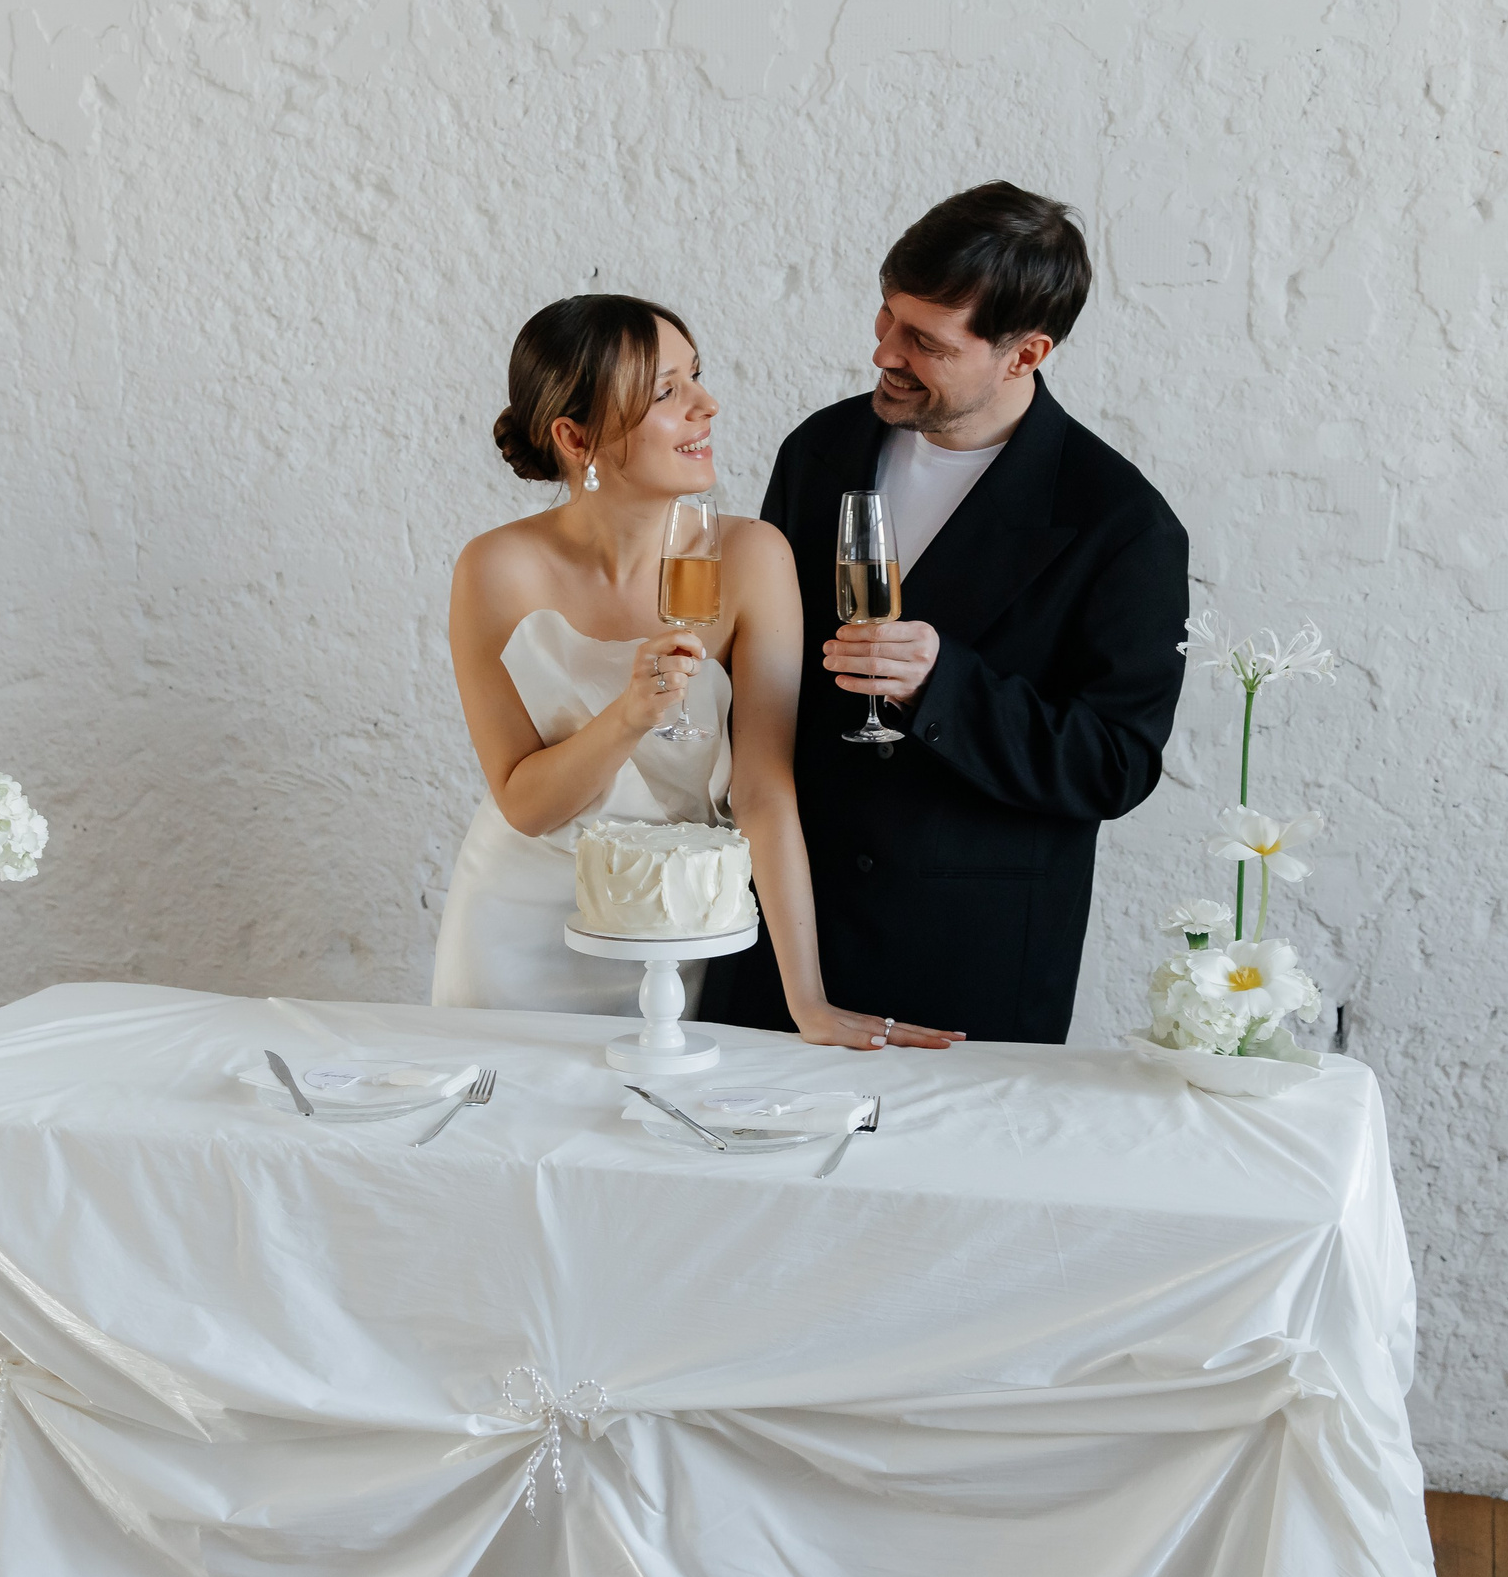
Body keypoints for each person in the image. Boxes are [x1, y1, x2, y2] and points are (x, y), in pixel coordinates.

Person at [699, 183, 1190, 1044]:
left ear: (1024, 353)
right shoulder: (818, 451)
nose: (884, 350)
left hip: (966, 970)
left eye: (924, 340)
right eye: (887, 317)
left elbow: (1116, 765)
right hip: (777, 945)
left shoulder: (1121, 524)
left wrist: (943, 685)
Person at [431, 294, 955, 1050]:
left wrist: (808, 998)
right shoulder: (496, 568)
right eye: (666, 392)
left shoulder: (751, 557)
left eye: (697, 377)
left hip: (678, 933)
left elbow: (764, 791)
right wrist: (627, 717)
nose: (706, 405)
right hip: (518, 928)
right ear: (576, 436)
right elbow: (525, 803)